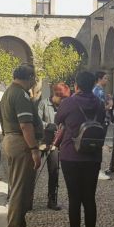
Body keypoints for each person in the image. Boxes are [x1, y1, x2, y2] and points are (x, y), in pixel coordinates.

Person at [55, 72, 106, 227]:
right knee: (89, 198)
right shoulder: (99, 104)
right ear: (93, 84)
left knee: (74, 199)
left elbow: (58, 120)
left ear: (76, 85)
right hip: (92, 156)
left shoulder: (69, 103)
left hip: (71, 155)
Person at [1, 65, 43, 227]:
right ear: (30, 77)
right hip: (20, 143)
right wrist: (34, 149)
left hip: (12, 140)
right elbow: (25, 125)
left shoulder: (10, 91)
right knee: (19, 186)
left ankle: (20, 224)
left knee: (21, 184)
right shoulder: (21, 94)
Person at [37, 82, 70, 211]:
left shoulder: (64, 106)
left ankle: (52, 200)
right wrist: (48, 125)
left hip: (55, 143)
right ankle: (27, 199)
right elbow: (37, 121)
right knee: (33, 171)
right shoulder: (43, 104)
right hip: (41, 141)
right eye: (61, 98)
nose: (63, 101)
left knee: (54, 171)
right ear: (55, 95)